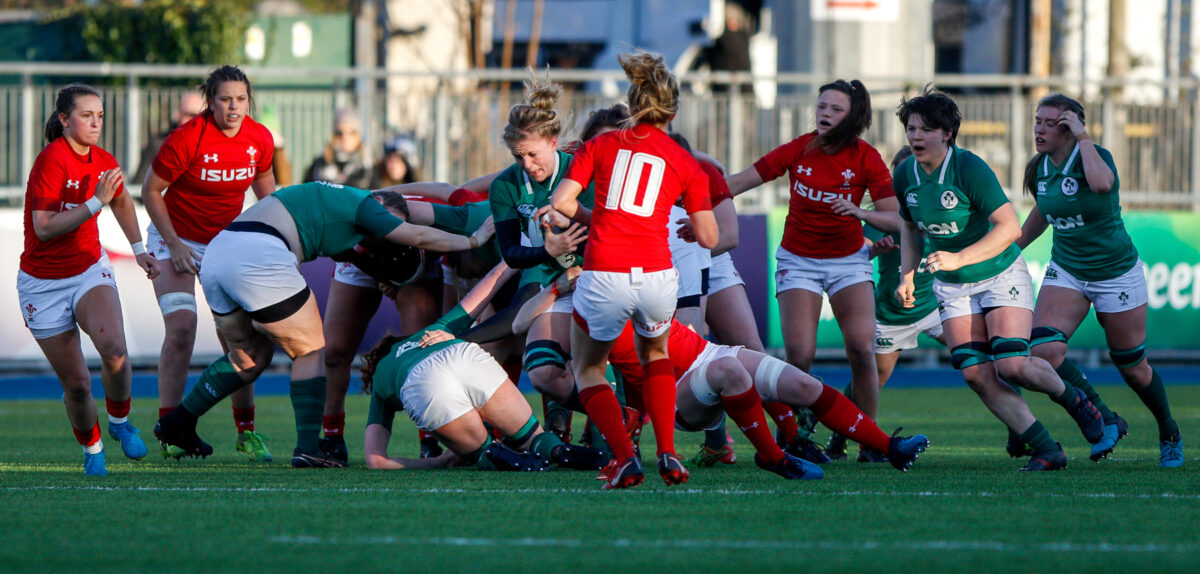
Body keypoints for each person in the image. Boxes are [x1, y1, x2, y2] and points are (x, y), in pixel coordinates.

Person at [152, 181, 493, 468]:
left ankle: (178, 422)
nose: (384, 238)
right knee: (312, 350)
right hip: (260, 253)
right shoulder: (368, 207)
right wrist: (474, 241)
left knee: (248, 356)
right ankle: (309, 449)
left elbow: (353, 252)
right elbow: (416, 235)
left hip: (220, 253)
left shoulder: (343, 204)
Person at [892, 86, 1106, 471]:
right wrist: (906, 274)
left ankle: (1076, 400)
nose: (915, 136)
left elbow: (1008, 228)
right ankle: (1047, 449)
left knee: (1013, 365)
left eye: (925, 129)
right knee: (974, 373)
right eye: (910, 128)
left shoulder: (969, 167)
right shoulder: (905, 173)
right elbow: (910, 229)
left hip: (999, 274)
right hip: (953, 286)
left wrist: (958, 256)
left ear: (947, 133)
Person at [517, 283, 930, 479]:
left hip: (705, 351)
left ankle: (889, 448)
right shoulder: (576, 300)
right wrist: (559, 285)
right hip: (674, 395)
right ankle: (772, 455)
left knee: (802, 384)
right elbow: (522, 321)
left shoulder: (630, 267)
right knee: (730, 373)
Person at [545, 51, 719, 489]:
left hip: (605, 271)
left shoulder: (601, 145)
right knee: (655, 356)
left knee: (588, 369)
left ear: (632, 104)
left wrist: (599, 218)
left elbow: (562, 205)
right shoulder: (684, 161)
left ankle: (625, 458)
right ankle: (669, 454)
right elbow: (710, 236)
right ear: (673, 111)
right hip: (658, 275)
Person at [725, 80, 897, 464]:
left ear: (854, 118)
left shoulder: (867, 157)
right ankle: (793, 433)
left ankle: (870, 442)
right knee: (799, 356)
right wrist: (689, 195)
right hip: (798, 261)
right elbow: (739, 182)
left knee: (862, 349)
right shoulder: (799, 148)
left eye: (836, 109)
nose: (825, 114)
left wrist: (861, 213)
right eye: (822, 106)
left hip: (849, 261)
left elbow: (895, 220)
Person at [1017, 94, 1183, 467]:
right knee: (1043, 350)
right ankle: (1105, 417)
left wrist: (1083, 137)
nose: (1039, 129)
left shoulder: (1096, 156)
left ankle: (1169, 430)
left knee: (1134, 369)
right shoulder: (1040, 167)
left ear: (1069, 127)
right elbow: (1043, 212)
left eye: (1049, 123)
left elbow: (1103, 185)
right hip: (1068, 270)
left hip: (1115, 273)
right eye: (1037, 121)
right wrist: (1009, 250)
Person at [18, 84, 159, 475]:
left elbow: (121, 199)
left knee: (114, 349)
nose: (96, 123)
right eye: (86, 115)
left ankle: (119, 423)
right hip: (41, 284)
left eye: (100, 116)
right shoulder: (51, 161)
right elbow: (44, 228)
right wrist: (95, 201)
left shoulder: (103, 159)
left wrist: (139, 248)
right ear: (64, 120)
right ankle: (93, 449)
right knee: (78, 385)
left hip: (86, 270)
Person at [140, 66, 278, 462]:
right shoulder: (187, 138)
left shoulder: (259, 138)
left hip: (226, 246)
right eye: (224, 99)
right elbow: (151, 190)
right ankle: (169, 430)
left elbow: (269, 197)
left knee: (241, 340)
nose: (233, 107)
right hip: (174, 241)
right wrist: (174, 244)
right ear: (210, 101)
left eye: (241, 99)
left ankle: (246, 431)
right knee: (182, 329)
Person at [359, 262, 608, 472]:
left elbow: (376, 460)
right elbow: (484, 289)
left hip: (422, 382)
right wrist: (508, 260)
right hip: (463, 355)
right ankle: (556, 449)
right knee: (532, 437)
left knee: (482, 451)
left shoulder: (382, 379)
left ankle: (493, 454)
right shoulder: (431, 333)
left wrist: (438, 461)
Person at [320, 182, 502, 464]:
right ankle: (331, 437)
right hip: (362, 261)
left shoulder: (429, 211)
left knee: (425, 347)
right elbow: (342, 252)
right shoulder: (349, 216)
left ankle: (429, 439)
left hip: (421, 262)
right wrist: (381, 272)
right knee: (335, 351)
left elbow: (455, 191)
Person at [484, 70, 590, 442]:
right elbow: (512, 254)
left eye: (533, 154)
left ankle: (610, 427)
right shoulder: (505, 185)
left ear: (554, 142)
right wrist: (549, 250)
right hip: (538, 273)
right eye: (518, 156)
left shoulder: (581, 170)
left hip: (594, 273)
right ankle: (566, 427)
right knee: (544, 373)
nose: (527, 164)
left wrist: (574, 242)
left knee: (591, 361)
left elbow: (605, 230)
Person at [825, 145, 948, 462]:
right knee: (870, 382)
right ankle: (844, 438)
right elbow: (857, 251)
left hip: (935, 305)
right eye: (901, 172)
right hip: (894, 312)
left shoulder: (940, 204)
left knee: (978, 355)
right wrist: (873, 250)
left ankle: (1021, 433)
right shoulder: (881, 215)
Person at [134, 92, 203, 184]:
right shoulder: (159, 144)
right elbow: (140, 184)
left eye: (200, 116)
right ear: (177, 115)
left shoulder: (213, 145)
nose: (194, 120)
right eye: (190, 114)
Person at [305, 108, 373, 188]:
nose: (345, 137)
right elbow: (307, 189)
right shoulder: (321, 161)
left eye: (351, 132)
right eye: (340, 133)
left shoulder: (367, 164)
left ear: (358, 135)